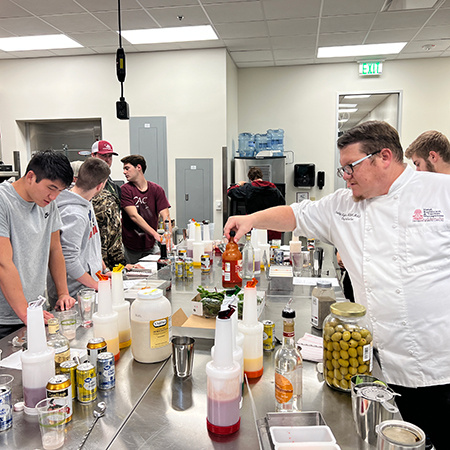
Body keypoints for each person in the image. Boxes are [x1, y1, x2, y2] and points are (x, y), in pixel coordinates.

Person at [224, 120, 450, 449]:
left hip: (438, 366)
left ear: (384, 157)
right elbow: (296, 215)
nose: (345, 176)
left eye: (350, 167)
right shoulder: (344, 204)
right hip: (375, 364)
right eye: (342, 168)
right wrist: (252, 220)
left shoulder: (440, 193)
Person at [0, 150, 75, 339]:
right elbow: (3, 263)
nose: (53, 197)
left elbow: (55, 248)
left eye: (59, 191)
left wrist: (63, 293)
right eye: (51, 188)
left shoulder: (48, 204)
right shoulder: (3, 201)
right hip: (6, 318)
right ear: (31, 177)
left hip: (36, 309)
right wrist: (26, 313)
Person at [47, 158, 110, 307]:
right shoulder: (74, 213)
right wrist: (95, 285)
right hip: (74, 293)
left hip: (88, 286)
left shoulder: (85, 203)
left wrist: (104, 270)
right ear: (100, 186)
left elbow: (90, 245)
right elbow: (69, 259)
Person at [121, 155, 171, 264]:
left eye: (127, 168)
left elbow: (165, 215)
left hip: (150, 245)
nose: (124, 172)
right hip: (131, 247)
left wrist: (168, 235)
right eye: (123, 169)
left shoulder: (156, 190)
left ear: (138, 167)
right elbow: (134, 216)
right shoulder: (125, 190)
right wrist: (155, 234)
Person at [227, 167, 285, 241]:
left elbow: (230, 192)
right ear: (261, 176)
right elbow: (282, 204)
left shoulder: (248, 188)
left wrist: (238, 184)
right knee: (272, 248)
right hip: (272, 226)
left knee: (253, 247)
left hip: (254, 225)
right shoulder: (274, 188)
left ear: (250, 178)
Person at [91, 140, 121, 205]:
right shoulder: (85, 182)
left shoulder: (114, 187)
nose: (107, 160)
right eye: (104, 155)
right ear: (93, 155)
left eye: (110, 156)